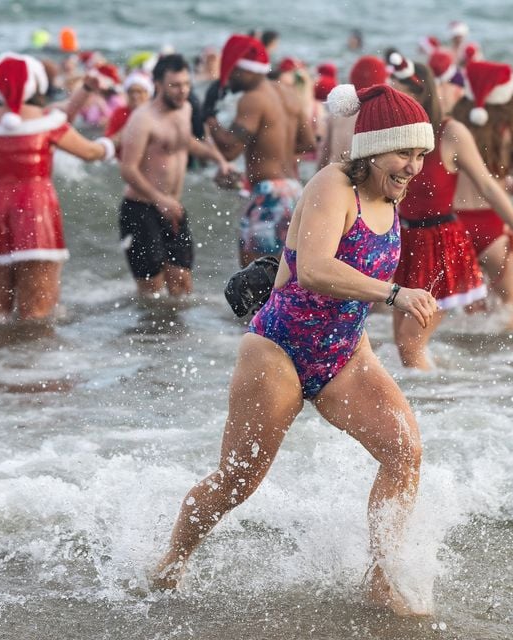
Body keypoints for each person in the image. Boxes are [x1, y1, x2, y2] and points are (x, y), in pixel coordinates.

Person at [151, 83, 438, 617]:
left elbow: (338, 284)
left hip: (343, 355)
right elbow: (315, 269)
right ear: (373, 146)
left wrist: (370, 339)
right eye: (404, 153)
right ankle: (170, 563)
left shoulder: (390, 195)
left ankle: (381, 579)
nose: (413, 167)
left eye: (421, 155)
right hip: (278, 350)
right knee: (237, 482)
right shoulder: (335, 183)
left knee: (405, 452)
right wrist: (396, 293)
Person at [389, 54, 513, 369]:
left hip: (442, 241)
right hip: (407, 241)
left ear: (422, 94)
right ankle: (451, 393)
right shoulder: (399, 135)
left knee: (411, 343)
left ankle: (500, 384)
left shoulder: (452, 130)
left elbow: (489, 187)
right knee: (405, 345)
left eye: (400, 92)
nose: (394, 99)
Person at [0, 52, 114, 321]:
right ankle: (33, 363)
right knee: (37, 313)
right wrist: (111, 146)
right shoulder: (48, 121)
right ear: (36, 84)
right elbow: (89, 152)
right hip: (35, 212)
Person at [118, 54, 230, 298]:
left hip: (172, 208)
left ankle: (177, 337)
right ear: (158, 84)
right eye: (175, 85)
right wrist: (159, 199)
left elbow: (185, 142)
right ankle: (144, 337)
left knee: (182, 286)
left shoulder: (185, 109)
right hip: (140, 209)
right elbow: (128, 169)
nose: (183, 91)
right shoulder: (142, 119)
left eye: (186, 84)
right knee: (152, 293)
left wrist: (218, 159)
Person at [451, 61, 513, 330]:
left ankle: (469, 369)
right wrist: (507, 181)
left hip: (454, 227)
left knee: (470, 314)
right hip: (493, 227)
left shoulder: (454, 126)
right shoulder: (511, 131)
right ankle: (503, 369)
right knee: (509, 312)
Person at [206, 34, 314, 267]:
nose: (230, 81)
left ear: (245, 70)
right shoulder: (289, 94)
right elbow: (308, 143)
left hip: (269, 196)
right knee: (284, 278)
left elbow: (229, 150)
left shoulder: (253, 99)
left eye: (232, 73)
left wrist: (209, 118)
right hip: (294, 192)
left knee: (252, 280)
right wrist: (273, 152)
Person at [317, 55, 387, 169]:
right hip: (362, 182)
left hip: (336, 178)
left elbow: (324, 154)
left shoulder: (338, 112)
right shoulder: (380, 114)